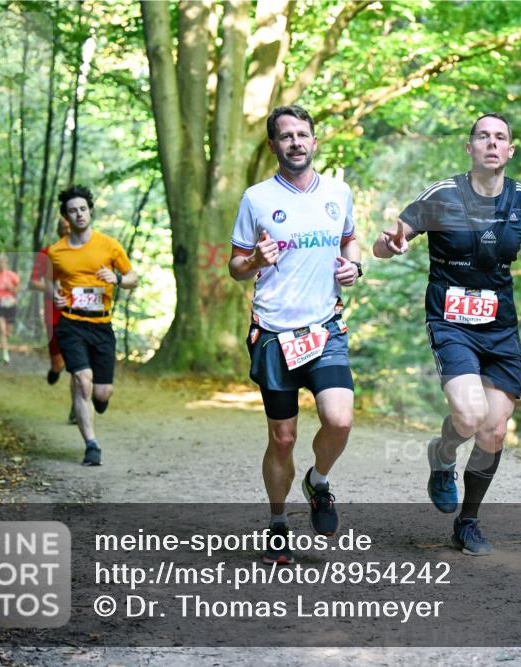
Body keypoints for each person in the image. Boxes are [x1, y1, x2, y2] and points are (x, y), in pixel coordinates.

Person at [372, 112, 521, 556]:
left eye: (500, 138)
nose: (491, 144)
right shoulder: (442, 196)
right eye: (483, 136)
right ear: (470, 148)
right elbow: (389, 243)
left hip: (500, 326)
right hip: (451, 320)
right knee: (469, 415)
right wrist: (391, 245)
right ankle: (442, 457)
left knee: (493, 431)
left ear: (510, 151)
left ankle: (468, 522)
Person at [229, 105, 361, 565]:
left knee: (339, 419)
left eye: (302, 134)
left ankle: (318, 481)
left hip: (325, 327)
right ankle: (278, 522)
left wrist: (354, 265)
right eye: (286, 136)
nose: (296, 142)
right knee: (282, 438)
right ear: (273, 146)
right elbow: (235, 267)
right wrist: (254, 263)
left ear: (315, 141)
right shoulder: (257, 198)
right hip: (272, 332)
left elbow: (349, 239)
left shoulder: (339, 193)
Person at [46, 186, 138, 466]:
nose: (79, 214)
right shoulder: (55, 251)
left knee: (100, 393)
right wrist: (54, 293)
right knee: (81, 380)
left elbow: (133, 277)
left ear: (90, 211)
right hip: (71, 324)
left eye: (83, 209)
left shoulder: (109, 245)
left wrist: (117, 279)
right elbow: (47, 279)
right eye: (73, 210)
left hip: (102, 325)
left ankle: (100, 401)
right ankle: (92, 445)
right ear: (66, 217)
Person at [30, 216, 75, 423]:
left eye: (70, 227)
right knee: (59, 362)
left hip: (78, 313)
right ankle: (55, 369)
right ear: (59, 231)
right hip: (54, 314)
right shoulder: (47, 253)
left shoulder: (84, 252)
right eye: (64, 228)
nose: (68, 230)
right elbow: (33, 283)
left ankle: (77, 407)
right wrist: (52, 287)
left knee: (78, 363)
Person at [0, 254, 20, 363]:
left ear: (6, 263)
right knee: (2, 329)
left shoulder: (13, 275)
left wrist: (10, 287)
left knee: (8, 332)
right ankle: (5, 354)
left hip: (10, 304)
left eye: (2, 262)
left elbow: (17, 290)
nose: (1, 264)